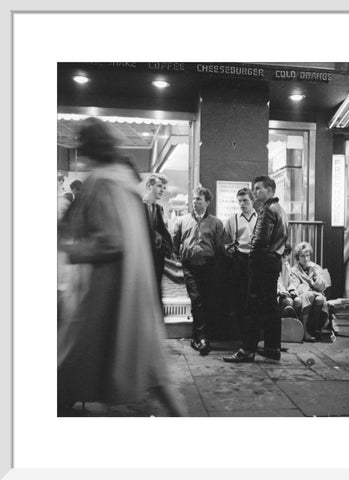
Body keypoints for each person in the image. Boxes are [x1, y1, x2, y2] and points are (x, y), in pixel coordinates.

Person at [57, 117, 185, 416]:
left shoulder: (102, 183)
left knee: (76, 363)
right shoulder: (123, 182)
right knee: (154, 372)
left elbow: (111, 241)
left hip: (105, 294)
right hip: (132, 291)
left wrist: (71, 249)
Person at [224, 175, 288, 363]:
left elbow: (260, 240)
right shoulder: (280, 210)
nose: (256, 191)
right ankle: (272, 347)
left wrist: (253, 258)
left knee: (253, 306)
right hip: (274, 261)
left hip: (262, 263)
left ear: (269, 190)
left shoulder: (267, 210)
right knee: (270, 306)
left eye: (259, 188)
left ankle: (247, 350)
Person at [172, 186, 225, 356]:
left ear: (207, 202)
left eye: (199, 199)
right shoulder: (182, 221)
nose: (195, 202)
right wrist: (177, 256)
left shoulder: (216, 223)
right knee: (196, 299)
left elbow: (219, 246)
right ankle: (201, 337)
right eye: (194, 199)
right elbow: (175, 241)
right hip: (190, 266)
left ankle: (199, 336)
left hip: (209, 266)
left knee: (206, 300)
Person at [224, 187, 257, 340]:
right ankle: (243, 335)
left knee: (254, 298)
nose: (242, 204)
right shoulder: (233, 219)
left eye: (245, 201)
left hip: (256, 261)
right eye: (240, 201)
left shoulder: (260, 218)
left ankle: (255, 336)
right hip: (239, 261)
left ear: (252, 201)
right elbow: (226, 242)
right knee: (240, 298)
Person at [143, 173, 173, 313]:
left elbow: (162, 230)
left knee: (155, 292)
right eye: (159, 186)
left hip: (156, 259)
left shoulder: (159, 208)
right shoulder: (137, 206)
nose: (162, 190)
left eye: (164, 187)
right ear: (149, 186)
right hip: (141, 259)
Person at [289, 241, 332, 341]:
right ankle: (304, 331)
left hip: (316, 293)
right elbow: (296, 286)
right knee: (309, 297)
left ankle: (315, 328)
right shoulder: (294, 270)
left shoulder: (316, 267)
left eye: (307, 255)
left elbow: (323, 286)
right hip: (303, 294)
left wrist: (315, 278)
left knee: (320, 299)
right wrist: (309, 288)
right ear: (298, 257)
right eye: (302, 256)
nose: (306, 259)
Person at [277, 243, 298, 319]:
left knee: (296, 301)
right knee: (288, 302)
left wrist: (292, 290)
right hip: (276, 296)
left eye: (286, 255)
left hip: (286, 295)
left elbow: (290, 282)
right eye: (282, 255)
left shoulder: (286, 266)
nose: (284, 258)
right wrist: (279, 292)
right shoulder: (271, 265)